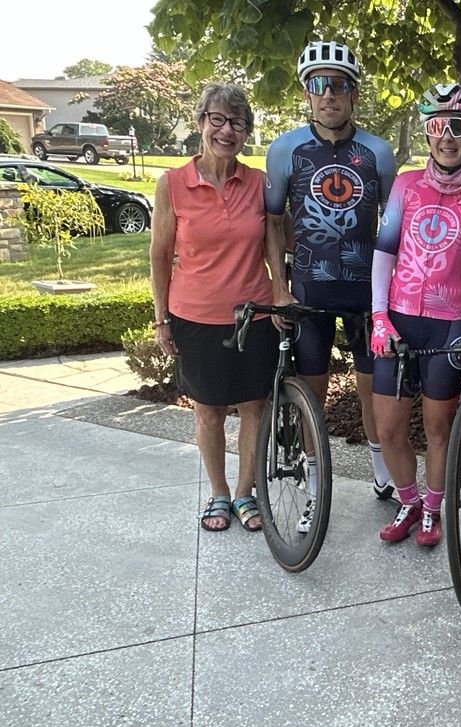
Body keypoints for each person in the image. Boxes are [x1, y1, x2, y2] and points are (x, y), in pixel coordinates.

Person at [369, 84, 461, 547]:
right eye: (437, 127)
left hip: (448, 322)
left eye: (458, 127)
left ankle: (433, 509)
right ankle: (408, 502)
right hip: (398, 318)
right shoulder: (406, 185)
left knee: (437, 427)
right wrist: (378, 317)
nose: (447, 137)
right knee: (389, 428)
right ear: (426, 134)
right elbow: (384, 251)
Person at [264, 41, 397, 528]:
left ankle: (385, 475)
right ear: (307, 92)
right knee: (312, 394)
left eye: (339, 84)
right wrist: (279, 286)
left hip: (365, 294)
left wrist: (393, 289)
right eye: (319, 85)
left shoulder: (378, 152)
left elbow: (394, 223)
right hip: (311, 293)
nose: (329, 95)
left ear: (354, 93)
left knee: (373, 392)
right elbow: (272, 221)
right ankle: (313, 490)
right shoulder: (286, 149)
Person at [150, 83, 280, 532]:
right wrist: (161, 316)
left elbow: (273, 244)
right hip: (195, 316)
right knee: (208, 409)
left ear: (246, 132)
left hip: (254, 315)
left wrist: (281, 293)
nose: (227, 131)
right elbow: (160, 254)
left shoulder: (259, 183)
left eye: (238, 123)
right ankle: (219, 494)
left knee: (253, 407)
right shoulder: (172, 183)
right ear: (201, 122)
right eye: (218, 120)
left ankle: (246, 493)